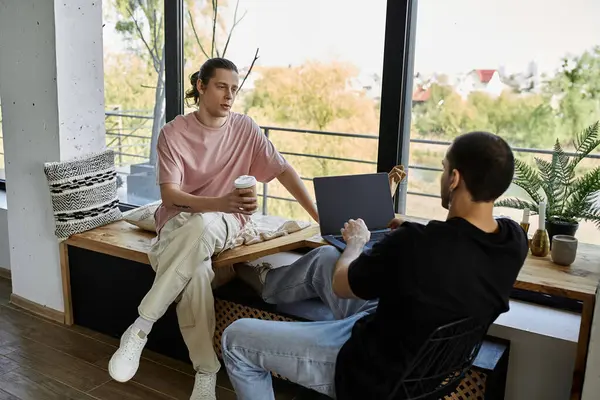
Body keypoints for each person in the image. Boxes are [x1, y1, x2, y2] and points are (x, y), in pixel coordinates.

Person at [222, 131, 529, 400]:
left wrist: (356, 243)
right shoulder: (513, 241)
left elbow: (342, 286)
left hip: (369, 369)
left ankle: (257, 282)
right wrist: (409, 227)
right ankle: (267, 286)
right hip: (427, 362)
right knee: (326, 258)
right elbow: (458, 244)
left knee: (236, 338)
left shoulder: (415, 244)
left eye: (444, 168)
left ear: (455, 178)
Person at [107, 58, 320, 400]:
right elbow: (170, 196)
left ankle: (140, 326)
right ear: (201, 86)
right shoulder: (173, 133)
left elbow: (283, 170)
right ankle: (206, 370)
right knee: (197, 273)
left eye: (234, 89)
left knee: (201, 227)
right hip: (180, 223)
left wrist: (319, 215)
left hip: (227, 222)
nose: (229, 96)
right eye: (221, 86)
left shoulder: (245, 129)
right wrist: (221, 202)